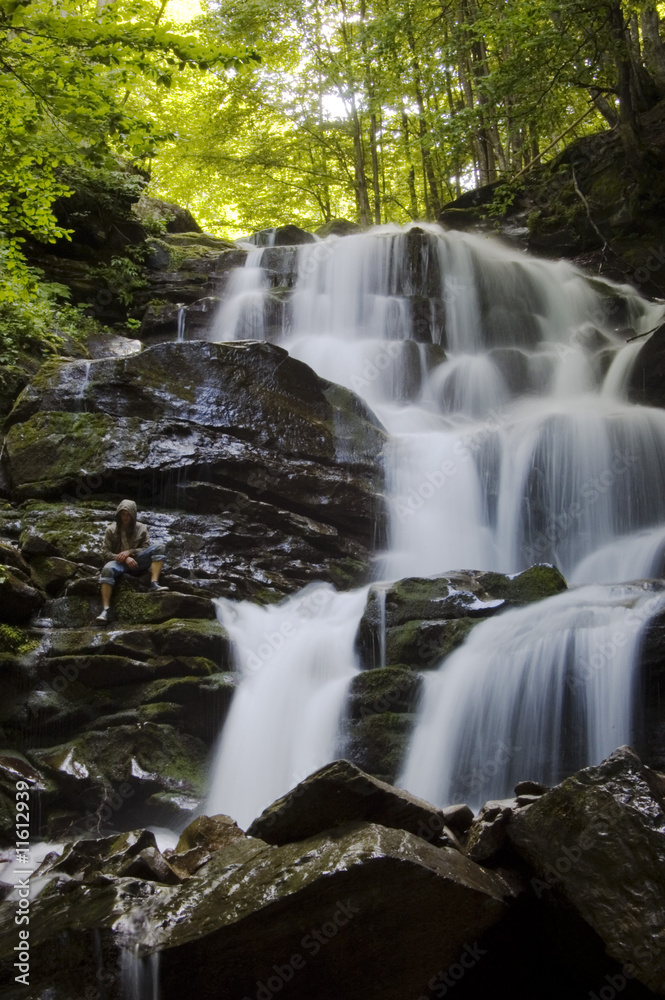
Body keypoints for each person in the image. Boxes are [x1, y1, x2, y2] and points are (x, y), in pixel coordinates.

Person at [96, 499, 167, 624]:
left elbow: (146, 548)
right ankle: (105, 609)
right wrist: (122, 557)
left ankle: (154, 583)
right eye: (123, 514)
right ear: (119, 514)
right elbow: (105, 553)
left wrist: (130, 552)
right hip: (118, 564)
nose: (125, 517)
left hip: (138, 562)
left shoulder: (142, 528)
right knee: (106, 570)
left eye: (128, 514)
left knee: (159, 547)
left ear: (133, 515)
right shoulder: (111, 530)